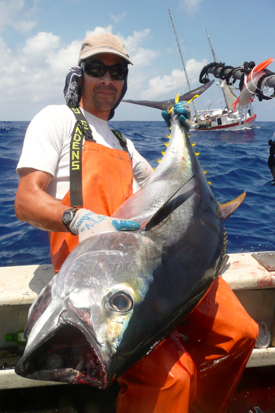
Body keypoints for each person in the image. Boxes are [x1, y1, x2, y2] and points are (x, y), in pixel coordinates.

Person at [15, 32, 258, 413]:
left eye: (117, 71)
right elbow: (25, 200)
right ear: (80, 75)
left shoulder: (125, 144)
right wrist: (78, 219)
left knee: (241, 333)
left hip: (146, 264)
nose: (108, 80)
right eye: (97, 69)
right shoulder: (57, 120)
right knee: (173, 378)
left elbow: (172, 194)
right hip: (96, 274)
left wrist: (180, 130)